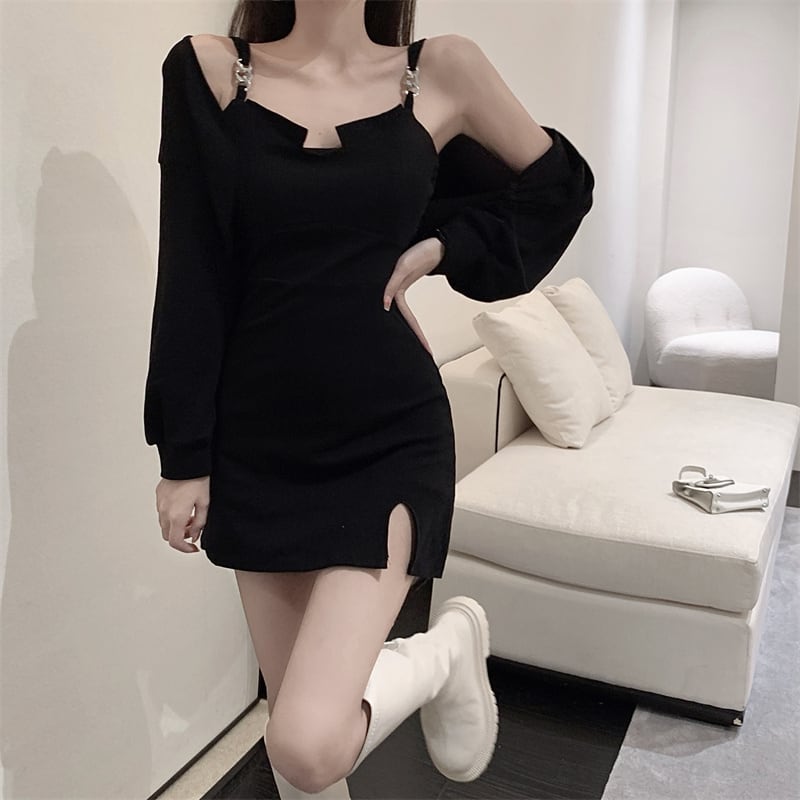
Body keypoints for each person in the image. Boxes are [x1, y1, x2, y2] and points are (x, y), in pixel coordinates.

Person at [144, 1, 594, 796]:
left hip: (389, 431)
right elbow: (192, 270)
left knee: (306, 743)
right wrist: (184, 456)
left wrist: (445, 247)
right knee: (309, 771)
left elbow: (560, 187)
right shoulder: (211, 72)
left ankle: (444, 650)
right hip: (256, 441)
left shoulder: (442, 70)